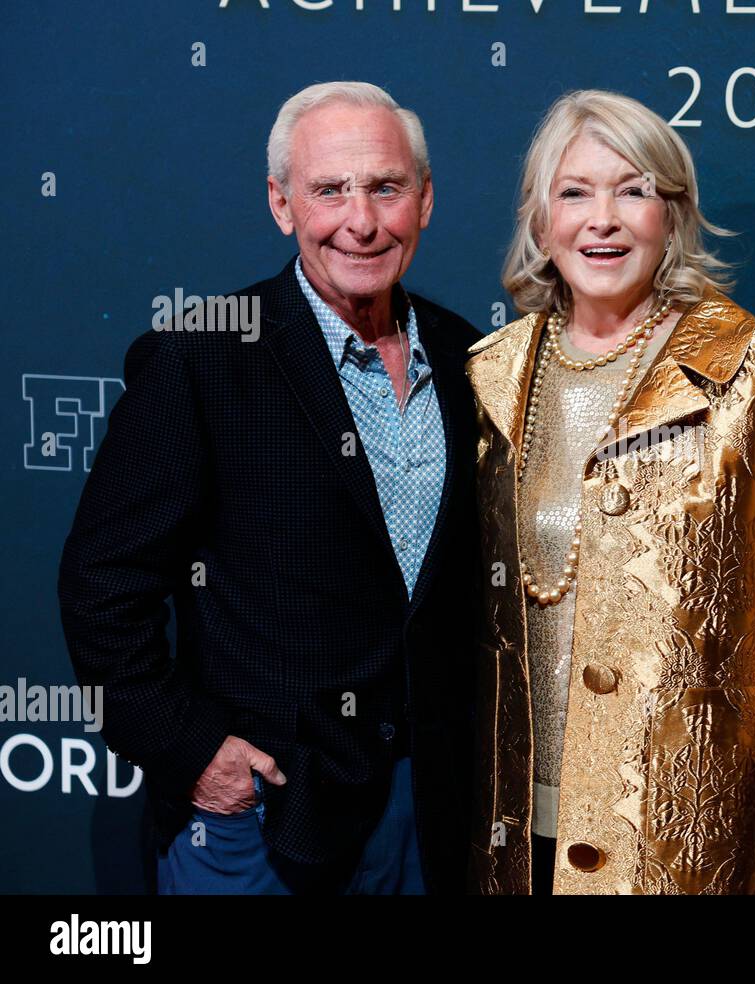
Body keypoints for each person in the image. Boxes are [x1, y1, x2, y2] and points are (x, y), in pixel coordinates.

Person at [57, 81, 481, 894]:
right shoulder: (201, 357)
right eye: (330, 190)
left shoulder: (470, 357)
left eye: (386, 188)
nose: (361, 221)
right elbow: (102, 583)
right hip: (265, 822)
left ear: (424, 202)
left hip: (431, 817)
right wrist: (193, 756)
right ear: (282, 204)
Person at [466, 89, 755, 895]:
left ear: (675, 215)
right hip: (510, 833)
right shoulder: (489, 377)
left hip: (691, 840)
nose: (602, 219)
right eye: (574, 192)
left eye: (634, 189)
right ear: (541, 223)